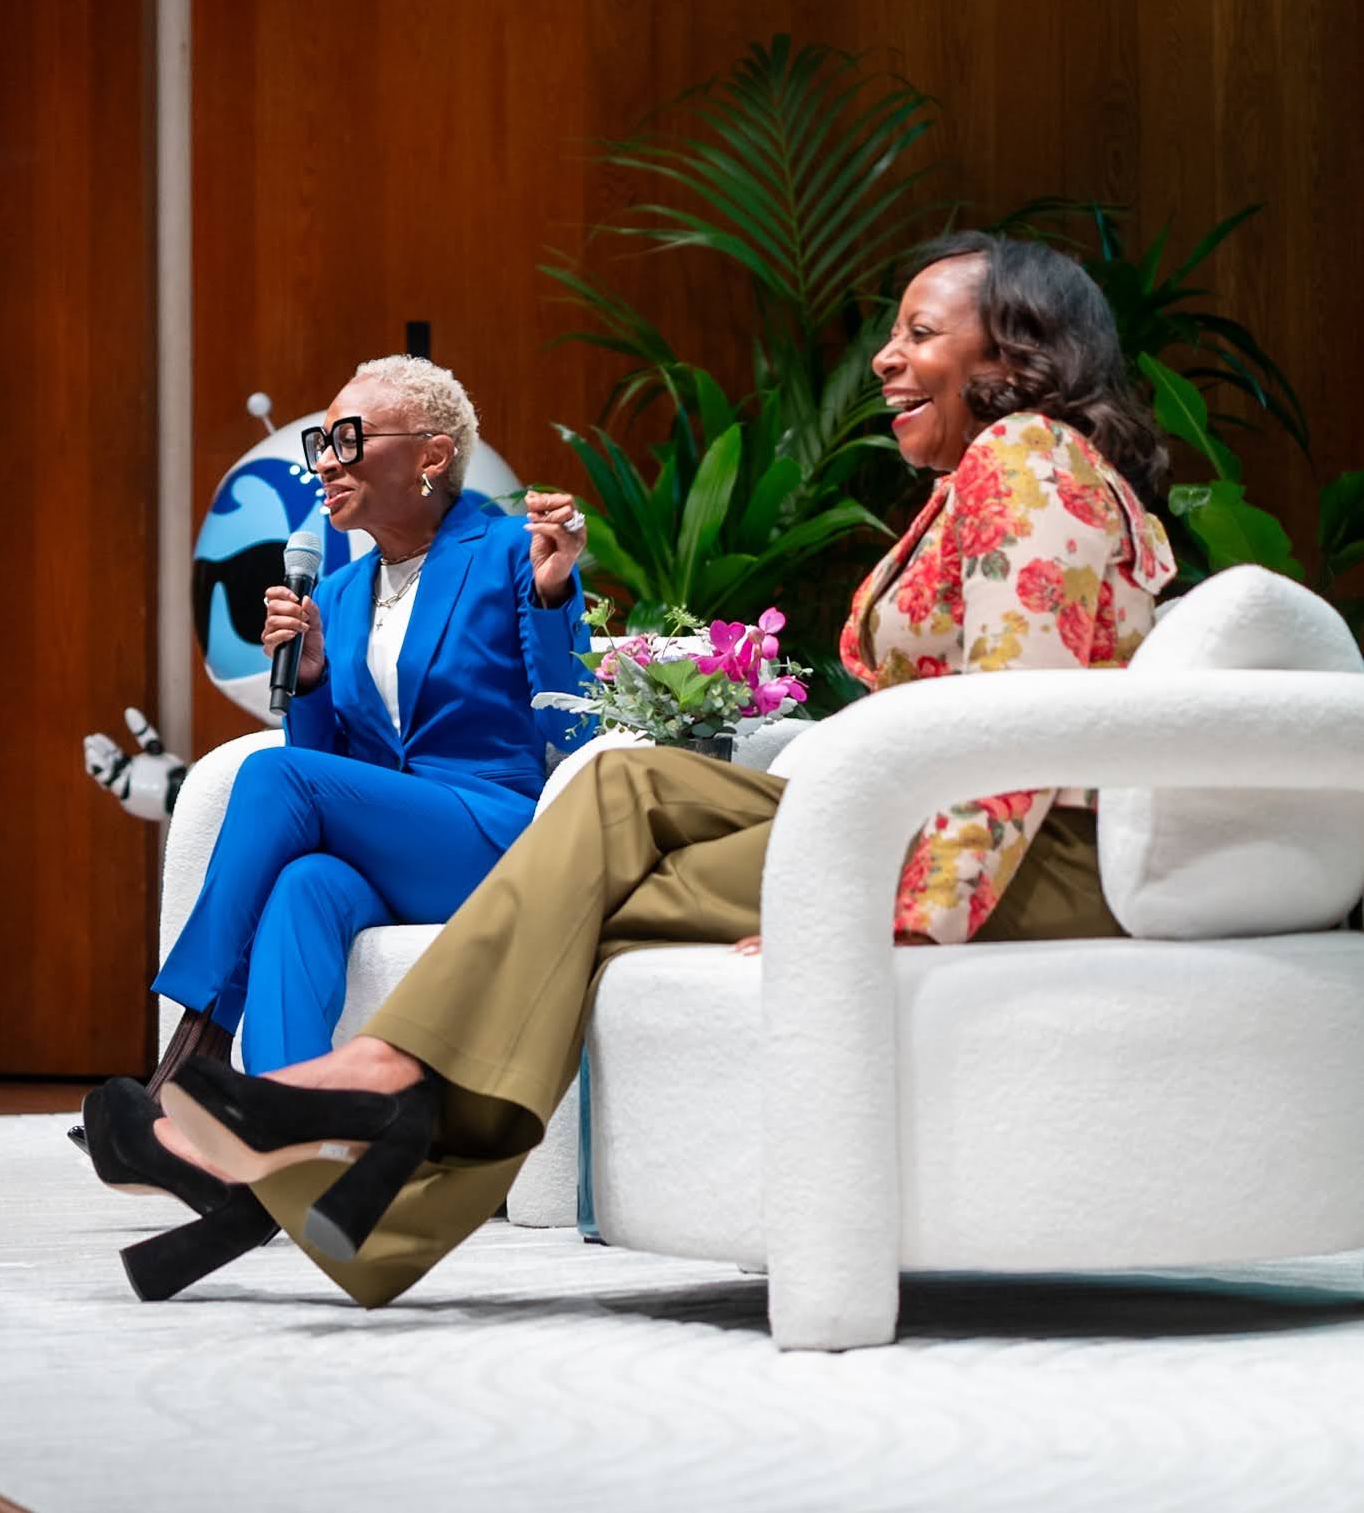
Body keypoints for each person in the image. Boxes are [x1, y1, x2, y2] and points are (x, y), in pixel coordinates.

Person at [106, 232, 1179, 1300]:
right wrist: (315, 677)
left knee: (600, 843)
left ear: (1011, 353)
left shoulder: (1026, 461)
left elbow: (1004, 733)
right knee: (597, 825)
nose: (885, 359)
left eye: (919, 332)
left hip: (1026, 849)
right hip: (898, 823)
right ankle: (326, 1171)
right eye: (889, 335)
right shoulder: (985, 478)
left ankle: (339, 1092)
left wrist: (889, 915)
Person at [79, 354, 592, 1214]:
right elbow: (342, 773)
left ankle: (192, 1059)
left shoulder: (512, 550)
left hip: (490, 832)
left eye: (347, 439)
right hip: (391, 836)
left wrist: (552, 594)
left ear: (431, 456)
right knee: (304, 886)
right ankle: (288, 1144)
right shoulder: (344, 591)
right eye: (321, 440)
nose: (324, 460)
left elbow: (567, 730)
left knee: (280, 777)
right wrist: (311, 681)